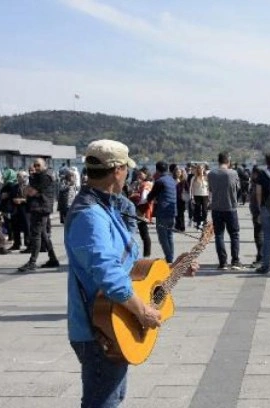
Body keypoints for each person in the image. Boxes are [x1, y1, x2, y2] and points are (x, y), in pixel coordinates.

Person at [65, 140, 162, 407]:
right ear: (118, 170)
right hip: (97, 328)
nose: (128, 175)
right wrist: (142, 310)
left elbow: (125, 264)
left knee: (113, 397)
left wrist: (171, 270)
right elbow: (108, 274)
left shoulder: (106, 207)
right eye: (126, 169)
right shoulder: (90, 215)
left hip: (111, 320)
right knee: (103, 401)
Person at [17, 158, 59, 272]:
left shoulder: (44, 177)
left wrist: (30, 187)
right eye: (34, 166)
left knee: (36, 235)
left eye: (38, 165)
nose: (35, 168)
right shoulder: (40, 176)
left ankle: (32, 262)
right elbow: (28, 191)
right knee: (43, 234)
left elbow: (29, 192)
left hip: (40, 208)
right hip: (40, 207)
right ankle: (53, 259)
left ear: (44, 166)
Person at [207, 152, 242, 270]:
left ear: (218, 161)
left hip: (216, 208)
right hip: (230, 207)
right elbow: (238, 188)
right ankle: (235, 261)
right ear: (228, 161)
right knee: (234, 234)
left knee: (219, 235)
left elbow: (210, 189)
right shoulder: (233, 173)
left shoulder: (211, 174)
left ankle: (223, 262)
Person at [147, 161, 177, 263]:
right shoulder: (172, 180)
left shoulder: (160, 181)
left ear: (157, 170)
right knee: (169, 235)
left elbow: (150, 196)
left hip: (162, 212)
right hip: (172, 212)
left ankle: (169, 258)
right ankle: (171, 256)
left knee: (162, 237)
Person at [128, 168, 153, 258]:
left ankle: (146, 254)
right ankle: (146, 254)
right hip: (143, 209)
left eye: (141, 174)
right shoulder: (144, 184)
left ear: (146, 175)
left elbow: (143, 198)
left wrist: (135, 198)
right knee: (143, 232)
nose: (139, 176)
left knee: (143, 232)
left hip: (141, 210)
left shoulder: (146, 185)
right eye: (138, 174)